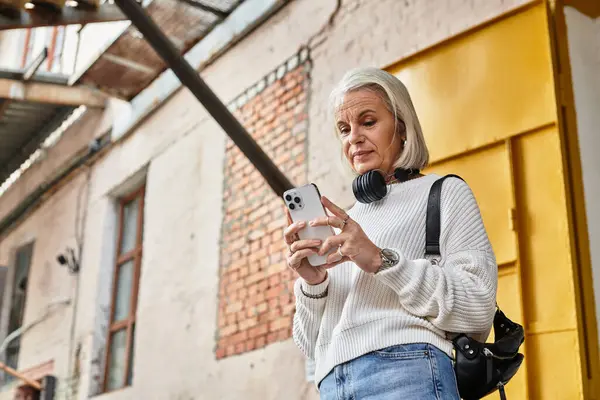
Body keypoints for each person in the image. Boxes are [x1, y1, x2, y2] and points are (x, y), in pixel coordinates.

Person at [284, 67, 498, 399]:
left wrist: (382, 262)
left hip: (407, 372)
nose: (353, 137)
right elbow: (311, 344)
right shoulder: (345, 221)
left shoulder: (443, 192)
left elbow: (477, 307)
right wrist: (313, 284)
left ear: (402, 127)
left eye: (368, 122)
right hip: (332, 386)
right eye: (344, 129)